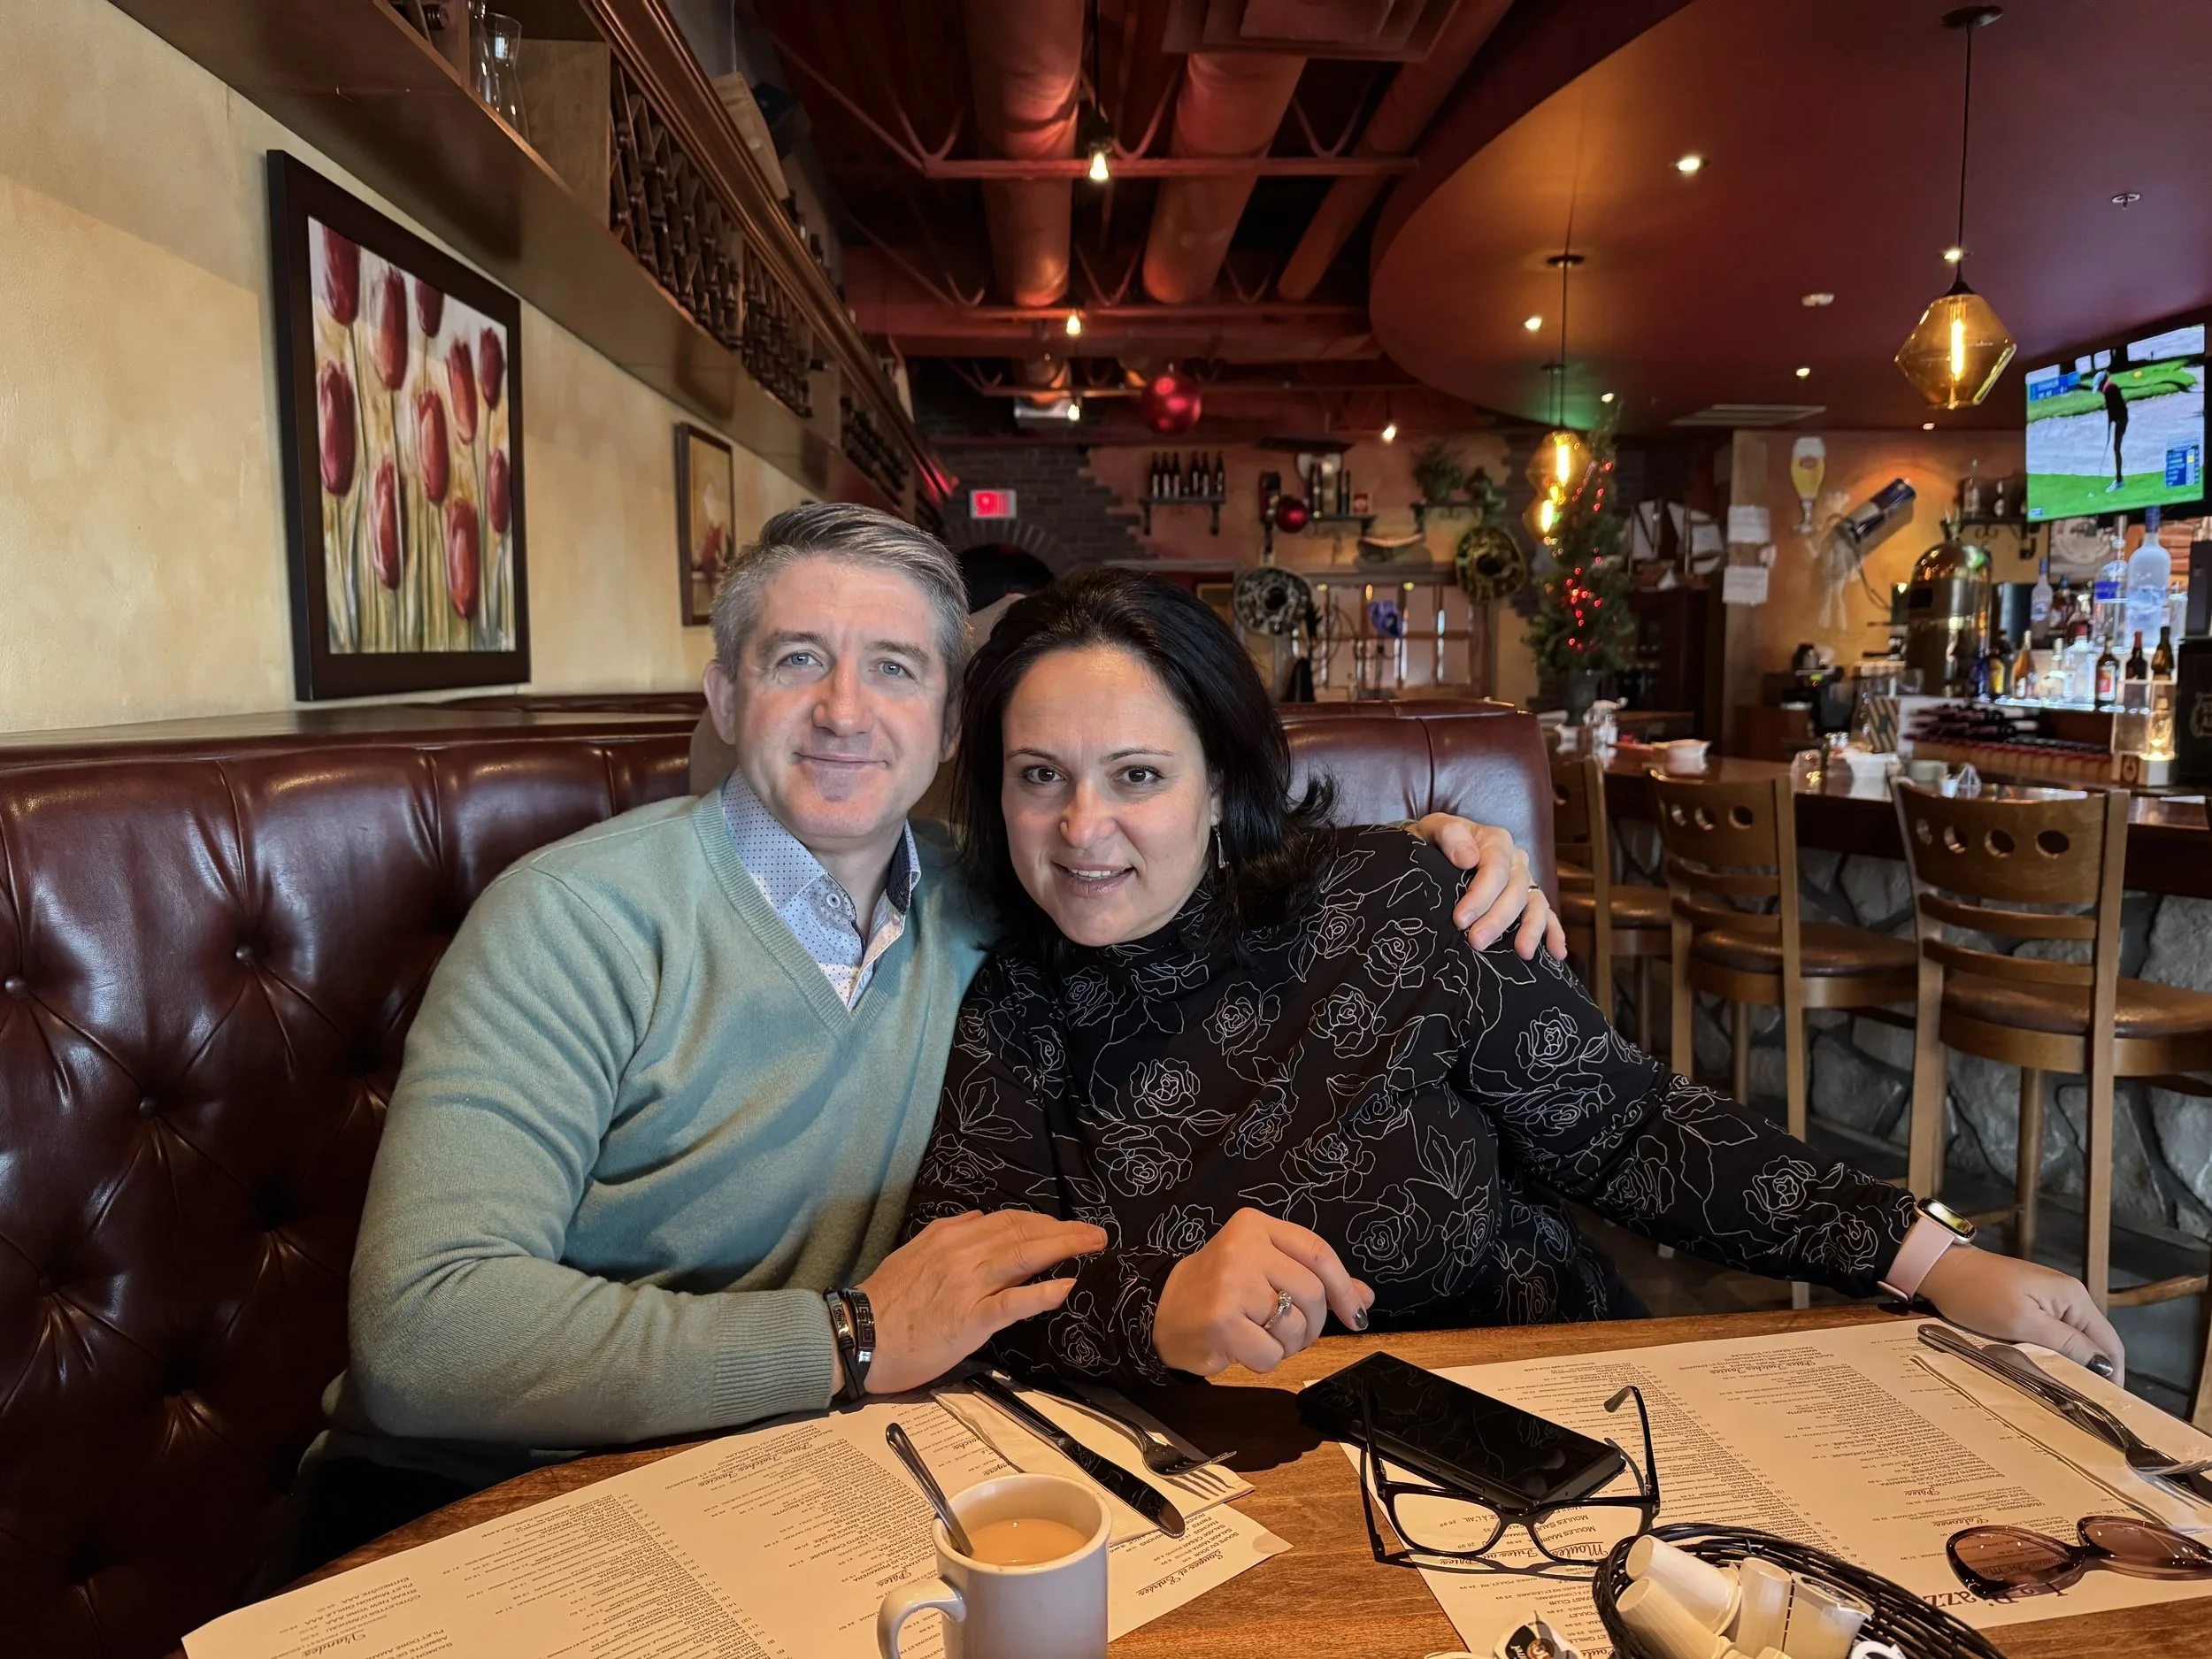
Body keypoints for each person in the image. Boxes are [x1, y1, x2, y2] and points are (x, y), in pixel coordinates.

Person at [316, 506, 1558, 1561]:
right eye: (799, 657)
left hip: (783, 1486)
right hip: (476, 1499)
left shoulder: (988, 893)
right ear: (726, 690)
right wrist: (854, 1336)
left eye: (898, 667)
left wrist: (1414, 860)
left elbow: (1190, 875)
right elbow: (425, 1332)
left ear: (952, 727)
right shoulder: (572, 917)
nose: (846, 710)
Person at [903, 568, 2125, 1387]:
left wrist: (1933, 1254)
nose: (1081, 826)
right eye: (1039, 776)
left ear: (1220, 781)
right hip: (1242, 1498)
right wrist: (1157, 1306)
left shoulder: (1398, 894)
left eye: (1135, 774)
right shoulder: (1016, 1001)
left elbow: (1630, 1126)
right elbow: (965, 1279)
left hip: (1549, 1413)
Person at [2101, 371, 2129, 491]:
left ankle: (2119, 481)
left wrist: (2110, 424)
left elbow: (2111, 411)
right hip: (2122, 418)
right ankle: (2119, 479)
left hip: (2121, 420)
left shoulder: (2107, 389)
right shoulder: (2110, 386)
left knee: (2116, 448)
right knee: (2116, 448)